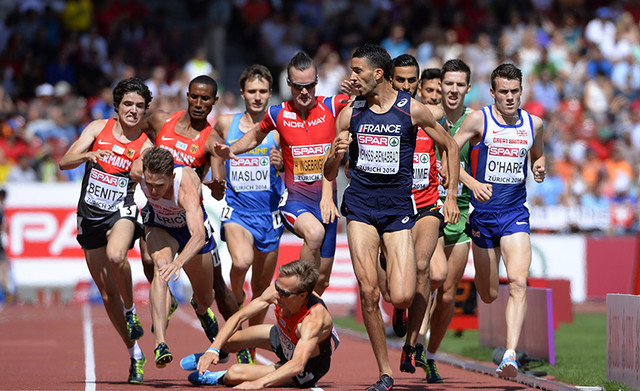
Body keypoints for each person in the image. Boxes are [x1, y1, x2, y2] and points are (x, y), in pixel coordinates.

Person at [323, 44, 459, 391]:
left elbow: (451, 145)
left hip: (399, 209)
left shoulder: (412, 110)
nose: (352, 78)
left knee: (400, 295)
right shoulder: (348, 113)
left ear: (377, 74)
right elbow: (327, 172)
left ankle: (395, 293)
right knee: (369, 293)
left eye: (358, 71)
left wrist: (452, 192)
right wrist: (335, 157)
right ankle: (384, 372)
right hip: (361, 208)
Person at [215, 51, 350, 295]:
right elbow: (256, 135)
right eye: (298, 87)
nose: (305, 92)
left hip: (327, 205)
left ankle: (301, 316)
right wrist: (231, 149)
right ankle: (294, 294)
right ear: (289, 84)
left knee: (322, 282)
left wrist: (360, 91)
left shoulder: (333, 105)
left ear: (317, 82)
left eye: (309, 86)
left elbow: (367, 107)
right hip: (295, 202)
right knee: (314, 233)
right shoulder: (278, 113)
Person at [453, 63, 546, 378]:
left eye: (515, 92)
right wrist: (471, 183)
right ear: (492, 92)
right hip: (483, 217)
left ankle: (509, 357)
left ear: (522, 91)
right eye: (503, 92)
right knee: (489, 293)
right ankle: (505, 349)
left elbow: (539, 155)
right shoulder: (479, 120)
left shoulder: (535, 124)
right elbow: (448, 153)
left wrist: (540, 167)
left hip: (515, 213)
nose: (509, 97)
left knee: (519, 282)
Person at [59, 78, 154, 384]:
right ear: (117, 106)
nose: (133, 110)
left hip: (121, 211)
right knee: (106, 293)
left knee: (117, 255)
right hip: (89, 215)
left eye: (139, 106)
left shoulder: (145, 145)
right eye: (128, 104)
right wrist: (87, 156)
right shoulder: (97, 128)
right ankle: (134, 354)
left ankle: (130, 311)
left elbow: (147, 177)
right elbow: (64, 161)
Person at [142, 74, 238, 333]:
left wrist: (217, 186)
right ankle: (168, 301)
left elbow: (218, 189)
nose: (198, 103)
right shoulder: (161, 120)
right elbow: (133, 136)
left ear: (214, 101)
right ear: (187, 96)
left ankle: (234, 338)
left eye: (205, 99)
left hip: (193, 218)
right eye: (194, 96)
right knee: (147, 258)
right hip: (159, 212)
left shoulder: (211, 141)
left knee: (217, 288)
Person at [213, 64, 284, 364]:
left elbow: (294, 168)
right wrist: (216, 177)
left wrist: (281, 164)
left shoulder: (280, 129)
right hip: (237, 212)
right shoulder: (224, 123)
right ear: (242, 93)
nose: (257, 97)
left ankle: (249, 349)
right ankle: (234, 296)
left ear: (270, 94)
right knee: (241, 261)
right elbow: (212, 150)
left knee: (262, 291)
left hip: (269, 215)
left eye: (263, 91)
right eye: (252, 91)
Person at [180, 260, 338, 389]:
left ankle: (217, 377)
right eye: (277, 286)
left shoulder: (313, 321)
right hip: (283, 337)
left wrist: (257, 384)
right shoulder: (278, 292)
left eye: (283, 293)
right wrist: (213, 349)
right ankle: (220, 354)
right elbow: (239, 317)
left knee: (235, 374)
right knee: (228, 340)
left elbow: (297, 364)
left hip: (305, 366)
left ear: (302, 295)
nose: (277, 294)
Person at [130, 146, 220, 369]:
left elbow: (199, 236)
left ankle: (200, 310)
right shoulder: (138, 172)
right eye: (148, 184)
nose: (152, 190)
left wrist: (179, 263)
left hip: (189, 232)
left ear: (171, 177)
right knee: (161, 269)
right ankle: (161, 343)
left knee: (206, 297)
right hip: (160, 225)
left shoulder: (186, 187)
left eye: (159, 185)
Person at [416, 58, 476, 383]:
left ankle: (431, 355)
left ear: (467, 88)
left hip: (460, 214)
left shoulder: (474, 121)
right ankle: (416, 338)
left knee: (449, 294)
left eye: (457, 85)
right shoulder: (424, 118)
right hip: (430, 209)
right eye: (444, 86)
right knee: (431, 276)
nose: (449, 91)